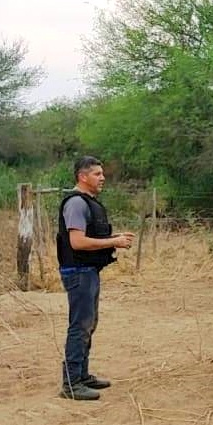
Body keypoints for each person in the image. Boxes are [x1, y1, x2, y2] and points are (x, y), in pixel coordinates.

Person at [55, 156, 134, 400]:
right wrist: (114, 241)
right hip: (79, 272)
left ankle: (82, 375)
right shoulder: (77, 203)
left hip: (87, 271)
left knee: (88, 324)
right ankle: (72, 383)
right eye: (97, 174)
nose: (102, 178)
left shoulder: (87, 203)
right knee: (80, 326)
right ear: (82, 176)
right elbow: (77, 242)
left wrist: (115, 238)